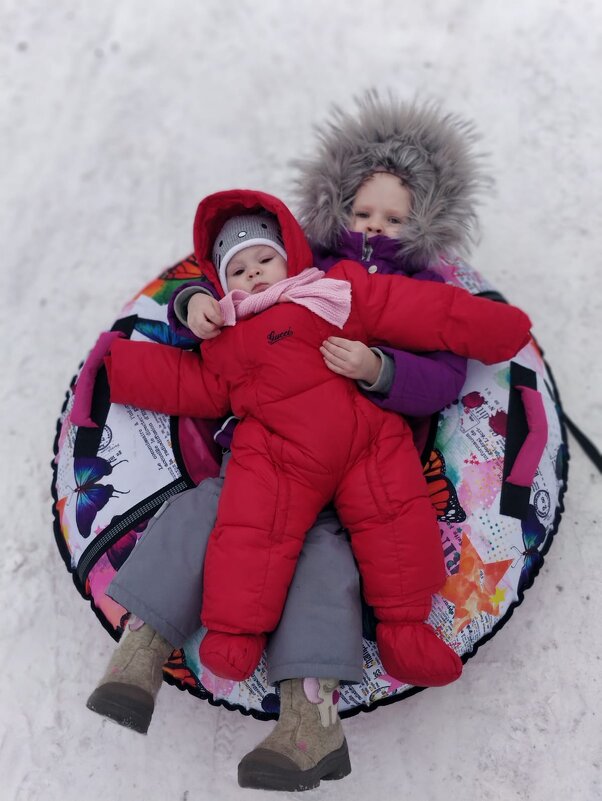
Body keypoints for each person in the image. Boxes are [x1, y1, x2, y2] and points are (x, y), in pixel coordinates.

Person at [87, 94, 496, 791]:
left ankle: (309, 723)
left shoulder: (362, 289)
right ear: (334, 211)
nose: (374, 228)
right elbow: (200, 358)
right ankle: (143, 645)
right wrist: (185, 314)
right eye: (362, 213)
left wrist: (381, 368)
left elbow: (443, 368)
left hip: (362, 449)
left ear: (426, 220)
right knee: (200, 516)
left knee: (325, 560)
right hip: (264, 458)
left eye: (395, 217)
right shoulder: (278, 280)